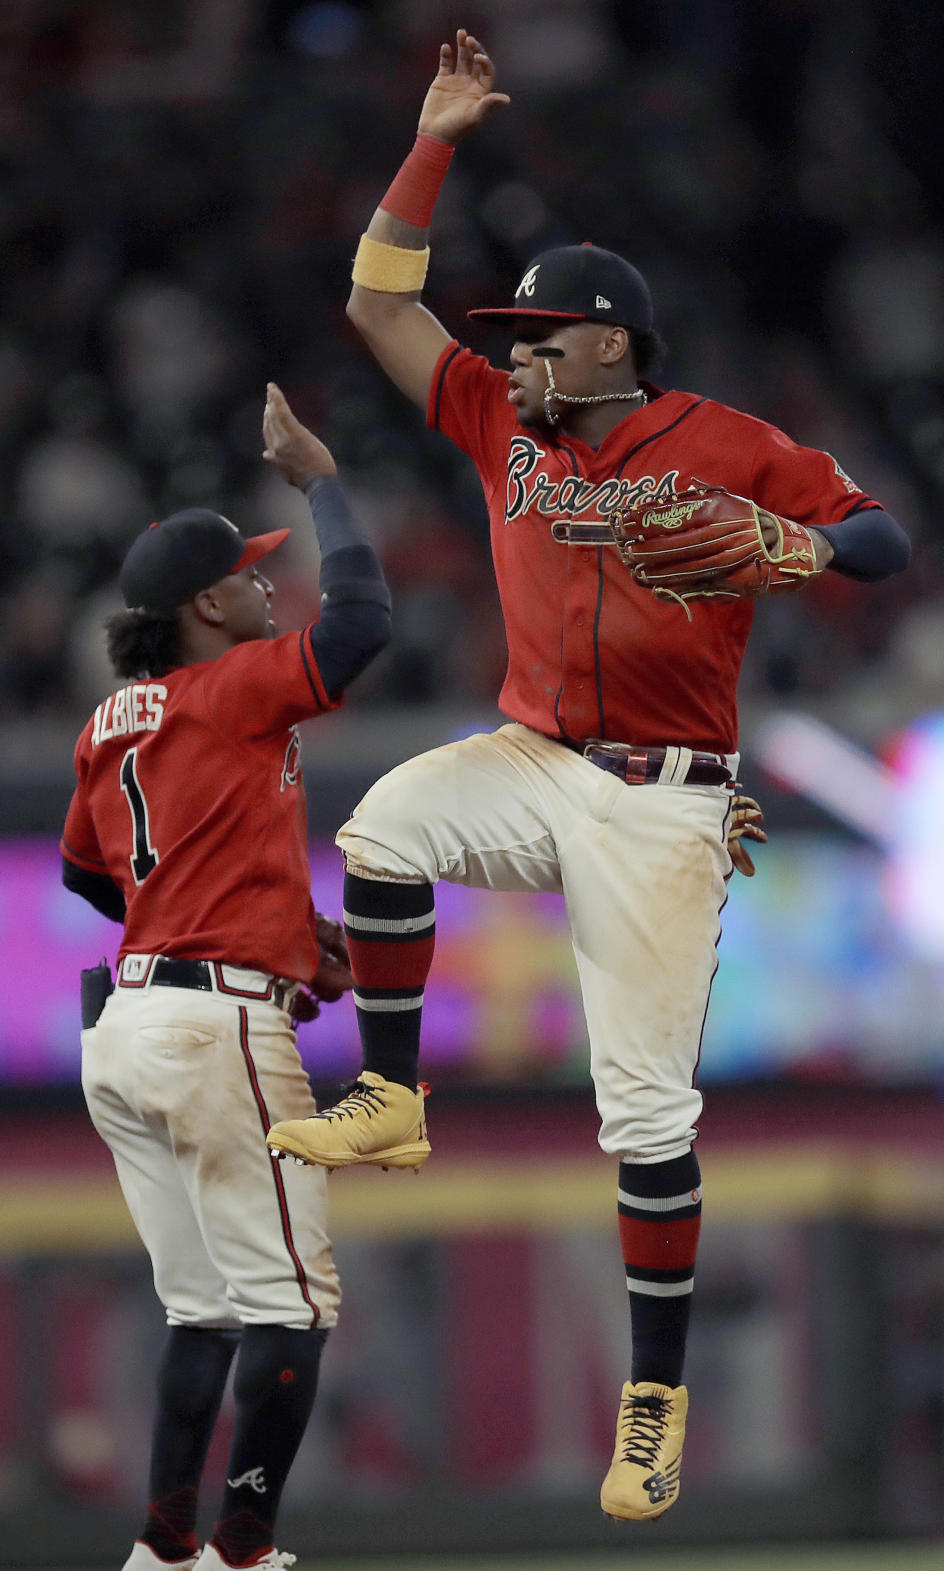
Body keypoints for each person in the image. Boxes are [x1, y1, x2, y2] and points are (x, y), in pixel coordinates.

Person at [265, 28, 911, 1523]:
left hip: (667, 798)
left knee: (645, 1117)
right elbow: (377, 300)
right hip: (535, 752)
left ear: (613, 342)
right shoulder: (504, 424)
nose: (520, 354)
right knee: (382, 825)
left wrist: (803, 546)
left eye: (544, 335)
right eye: (517, 336)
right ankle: (391, 1094)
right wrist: (432, 142)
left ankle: (653, 1408)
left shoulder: (730, 444)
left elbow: (879, 532)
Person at [61, 385, 391, 1571]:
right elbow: (362, 621)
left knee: (199, 1309)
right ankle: (244, 1550)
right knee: (293, 1307)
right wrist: (319, 481)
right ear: (206, 603)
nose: (268, 585)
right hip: (213, 1027)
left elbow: (89, 874)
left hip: (128, 1024)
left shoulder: (112, 719)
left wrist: (265, 923)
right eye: (249, 577)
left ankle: (164, 1547)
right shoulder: (231, 685)